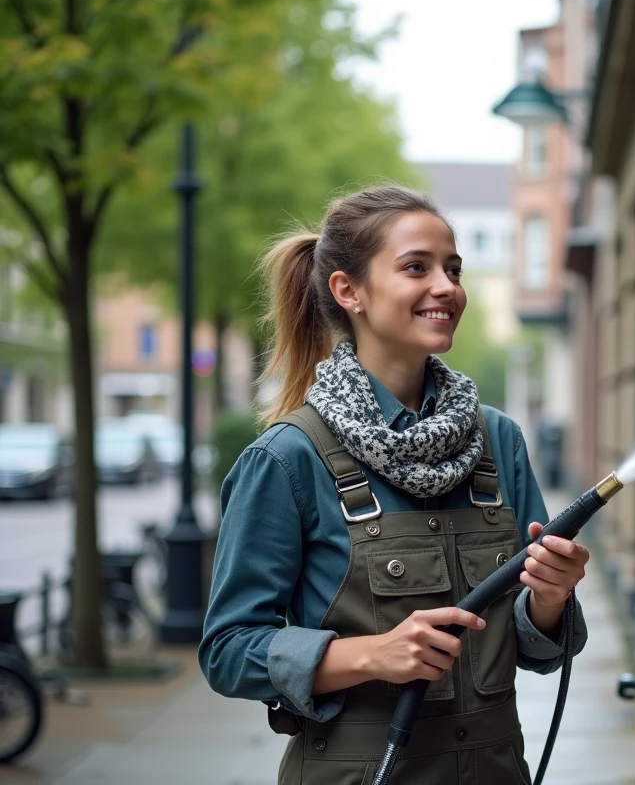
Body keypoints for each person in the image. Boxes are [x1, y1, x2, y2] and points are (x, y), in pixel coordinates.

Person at [199, 185, 589, 784]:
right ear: (348, 290)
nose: (447, 287)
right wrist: (365, 656)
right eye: (416, 267)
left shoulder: (499, 441)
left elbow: (538, 649)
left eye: (453, 269)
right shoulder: (286, 459)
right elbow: (227, 649)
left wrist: (550, 596)